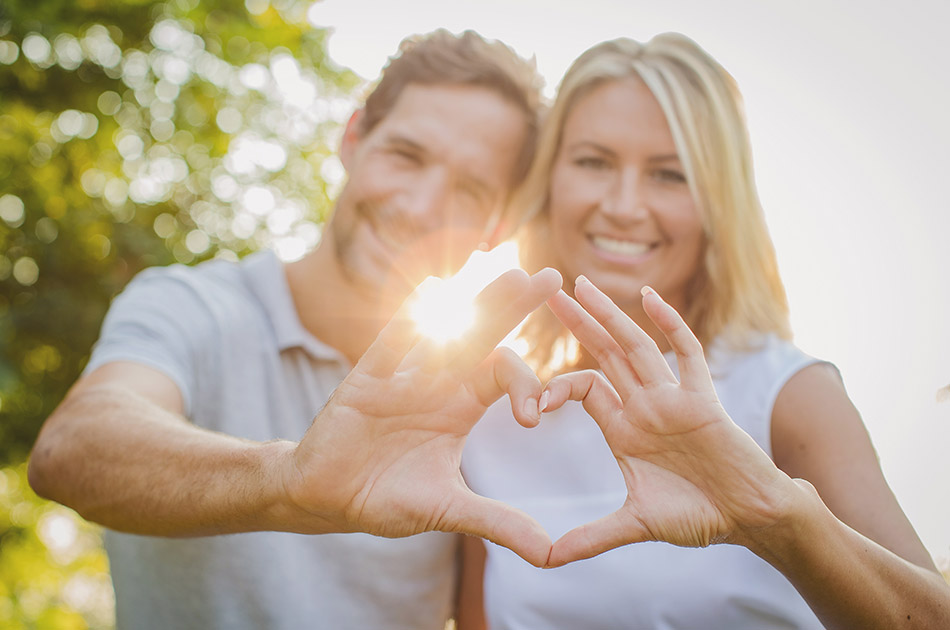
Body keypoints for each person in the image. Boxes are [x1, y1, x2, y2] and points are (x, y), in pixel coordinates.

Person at [27, 30, 561, 630]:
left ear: (497, 227)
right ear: (354, 137)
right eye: (406, 156)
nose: (420, 207)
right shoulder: (193, 304)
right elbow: (72, 445)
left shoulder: (479, 405)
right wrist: (291, 481)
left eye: (470, 191)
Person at [458, 34, 950, 629]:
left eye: (669, 174)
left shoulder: (788, 393)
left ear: (718, 201)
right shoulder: (491, 411)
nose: (623, 205)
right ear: (550, 178)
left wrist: (772, 518)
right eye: (593, 162)